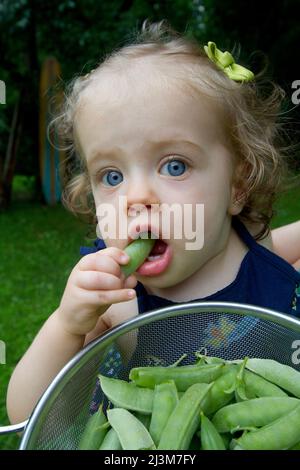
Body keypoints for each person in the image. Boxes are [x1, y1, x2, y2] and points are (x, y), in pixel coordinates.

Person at [7, 20, 300, 424]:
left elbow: (275, 253)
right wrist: (67, 326)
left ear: (238, 184)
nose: (136, 197)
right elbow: (29, 413)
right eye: (112, 176)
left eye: (174, 165)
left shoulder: (245, 244)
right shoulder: (116, 300)